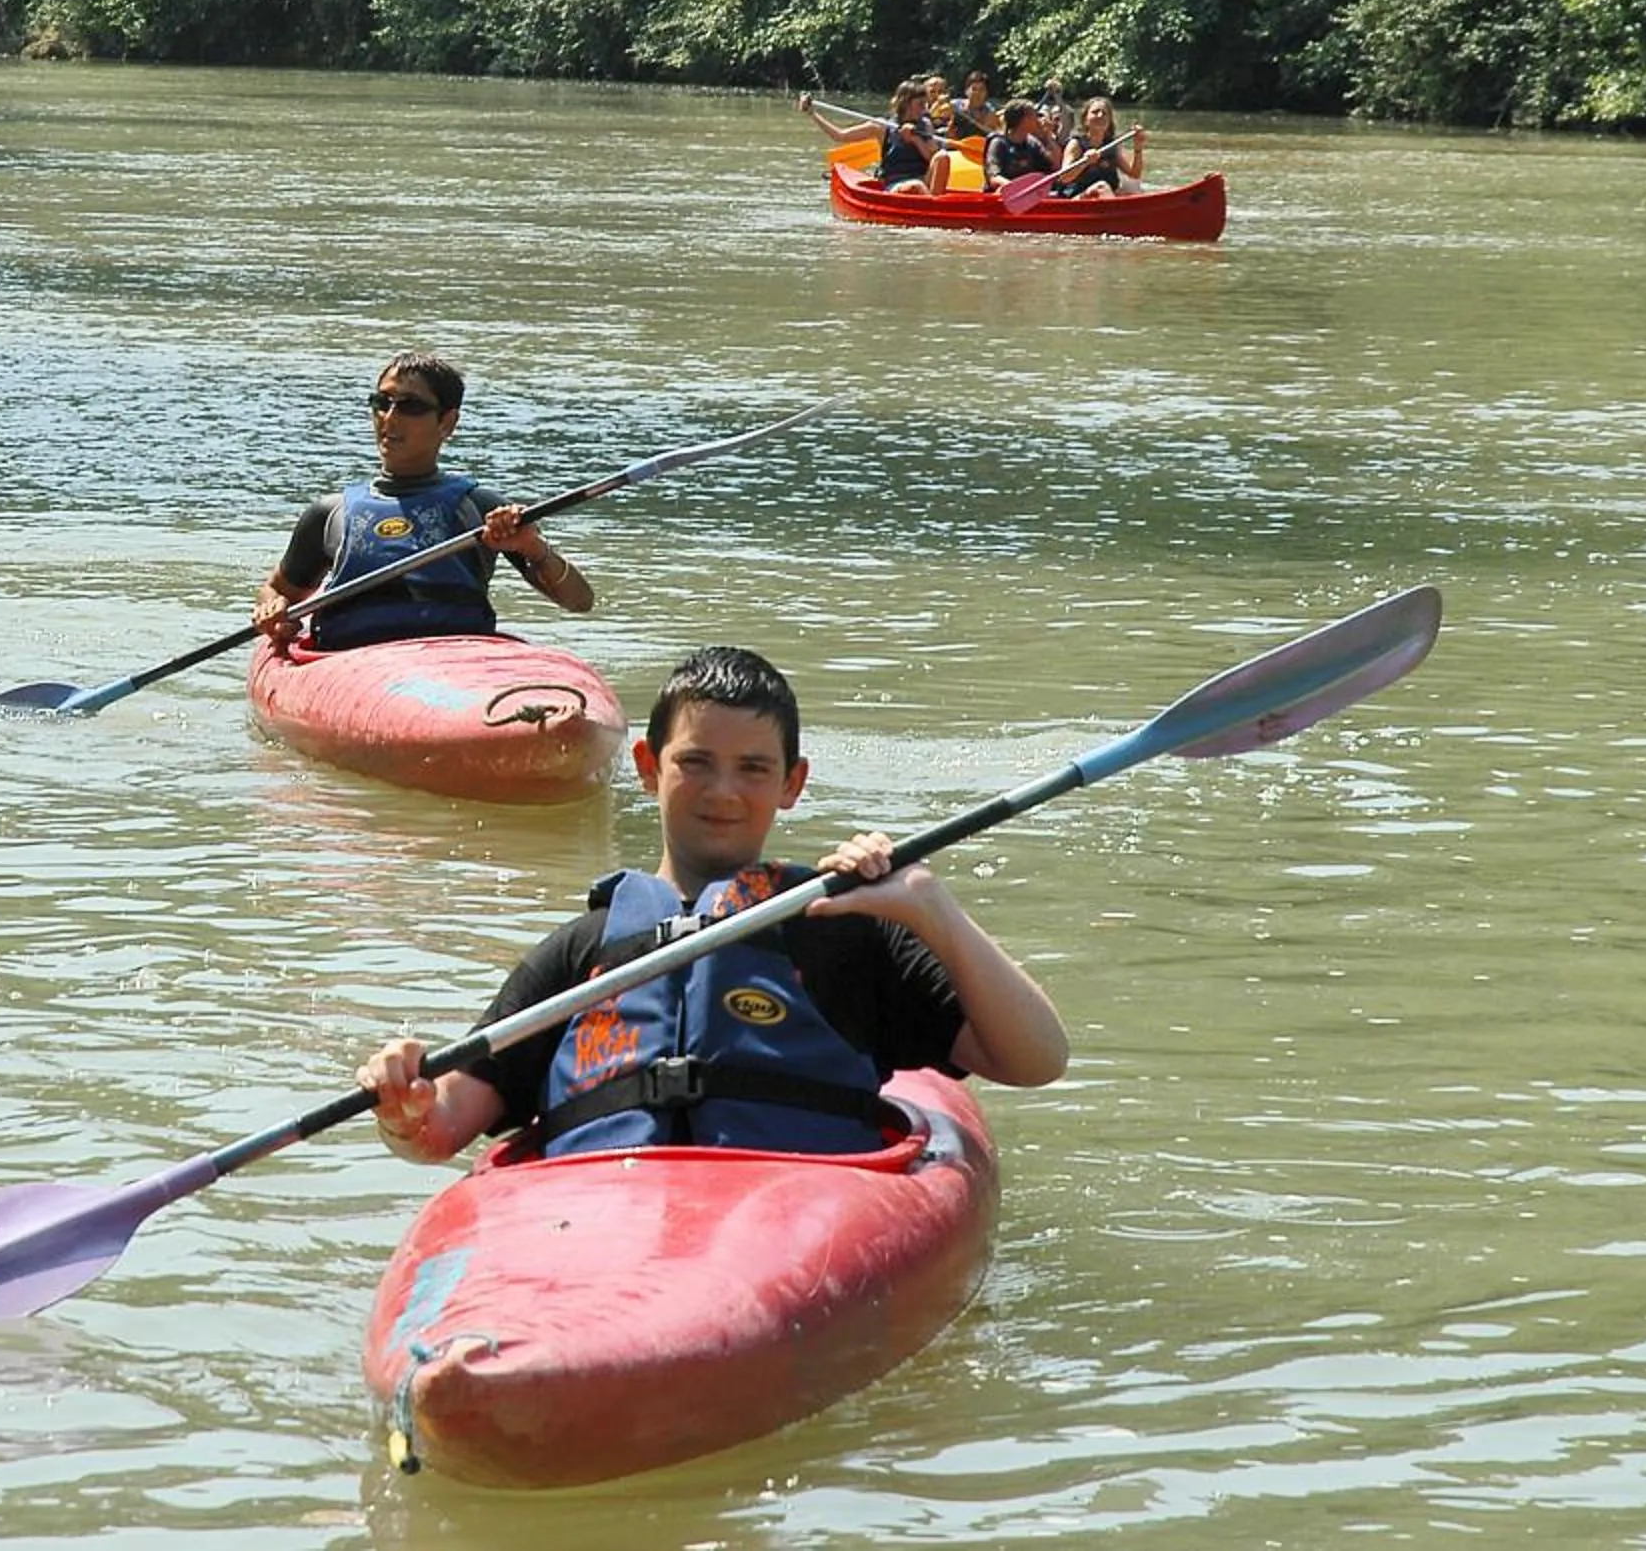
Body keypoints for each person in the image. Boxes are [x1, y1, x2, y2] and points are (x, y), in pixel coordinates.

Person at [358, 646, 1069, 1162]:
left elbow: (1037, 1059)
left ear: (792, 784)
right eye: (694, 763)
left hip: (791, 1210)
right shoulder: (584, 950)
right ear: (647, 768)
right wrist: (403, 1106)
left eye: (754, 769)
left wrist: (930, 907)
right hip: (604, 1214)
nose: (723, 792)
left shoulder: (842, 930)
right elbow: (444, 1125)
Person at [254, 350, 594, 649]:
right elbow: (277, 589)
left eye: (410, 406)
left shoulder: (481, 508)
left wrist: (532, 548)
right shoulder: (330, 514)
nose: (390, 418)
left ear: (447, 422)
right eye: (381, 403)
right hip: (353, 662)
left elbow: (580, 601)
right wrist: (273, 611)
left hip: (453, 660)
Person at [798, 81, 955, 195]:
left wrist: (916, 140)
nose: (924, 109)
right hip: (896, 184)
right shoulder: (881, 127)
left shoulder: (925, 125)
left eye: (925, 104)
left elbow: (931, 158)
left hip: (924, 181)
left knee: (942, 156)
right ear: (906, 103)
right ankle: (931, 207)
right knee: (914, 187)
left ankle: (934, 205)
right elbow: (840, 135)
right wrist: (812, 113)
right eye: (920, 104)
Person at [1052, 95, 1149, 199]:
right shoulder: (1076, 144)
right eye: (1095, 112)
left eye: (1104, 113)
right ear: (1085, 120)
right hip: (1078, 198)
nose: (1100, 115)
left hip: (1105, 198)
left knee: (1132, 186)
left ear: (1109, 120)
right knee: (1101, 187)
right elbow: (1064, 177)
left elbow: (1134, 174)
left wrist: (1138, 147)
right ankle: (1119, 211)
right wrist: (1085, 162)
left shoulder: (1113, 144)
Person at [984, 98, 1061, 189]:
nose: (1038, 120)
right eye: (1034, 116)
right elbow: (994, 178)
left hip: (1026, 197)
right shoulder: (998, 143)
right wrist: (1016, 188)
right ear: (1023, 120)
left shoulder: (1032, 144)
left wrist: (1047, 136)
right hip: (1002, 197)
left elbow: (1054, 168)